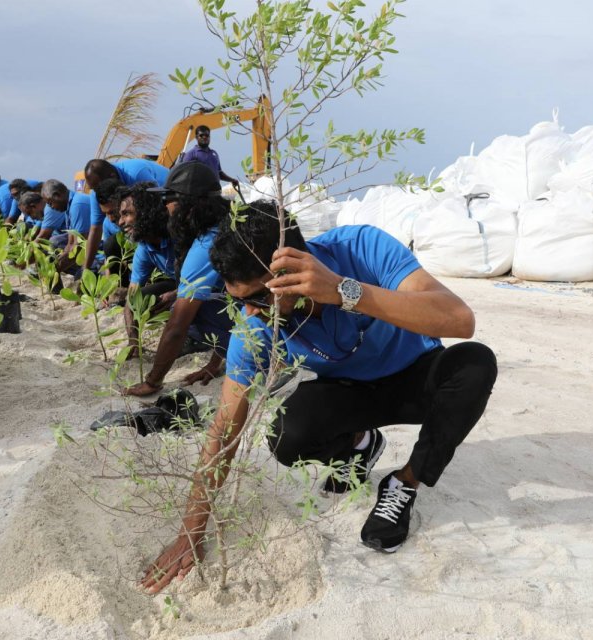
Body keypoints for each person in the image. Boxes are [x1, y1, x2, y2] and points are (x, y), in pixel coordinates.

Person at [139, 200, 497, 593]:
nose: (252, 313)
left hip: (415, 374)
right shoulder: (255, 325)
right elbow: (224, 429)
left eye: (258, 298)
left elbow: (460, 319)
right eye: (237, 301)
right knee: (288, 434)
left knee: (474, 365)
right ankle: (360, 444)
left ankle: (403, 483)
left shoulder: (360, 247)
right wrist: (191, 530)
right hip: (350, 394)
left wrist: (343, 291)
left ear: (292, 271)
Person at [123, 163, 235, 396]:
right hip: (277, 317)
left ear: (188, 203)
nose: (165, 206)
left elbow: (177, 325)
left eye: (168, 198)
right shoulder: (227, 223)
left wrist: (152, 382)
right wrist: (214, 364)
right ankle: (236, 354)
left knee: (187, 311)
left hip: (275, 331)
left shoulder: (206, 243)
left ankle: (259, 361)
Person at [80, 158, 169, 279]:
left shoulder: (136, 174)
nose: (96, 192)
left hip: (165, 211)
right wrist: (85, 271)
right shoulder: (98, 193)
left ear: (112, 176)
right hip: (142, 234)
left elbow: (159, 207)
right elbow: (95, 229)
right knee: (112, 243)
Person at [116, 183, 178, 356]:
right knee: (141, 299)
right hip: (179, 285)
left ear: (146, 212)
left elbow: (209, 281)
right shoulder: (144, 248)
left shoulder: (178, 235)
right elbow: (132, 298)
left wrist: (176, 294)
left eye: (126, 214)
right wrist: (133, 341)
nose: (120, 222)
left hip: (209, 290)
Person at [38, 179, 91, 274]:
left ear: (58, 195)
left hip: (97, 251)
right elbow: (70, 243)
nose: (51, 208)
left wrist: (53, 271)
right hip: (85, 248)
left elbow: (80, 245)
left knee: (54, 244)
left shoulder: (77, 205)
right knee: (53, 258)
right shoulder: (69, 206)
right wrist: (58, 261)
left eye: (50, 203)